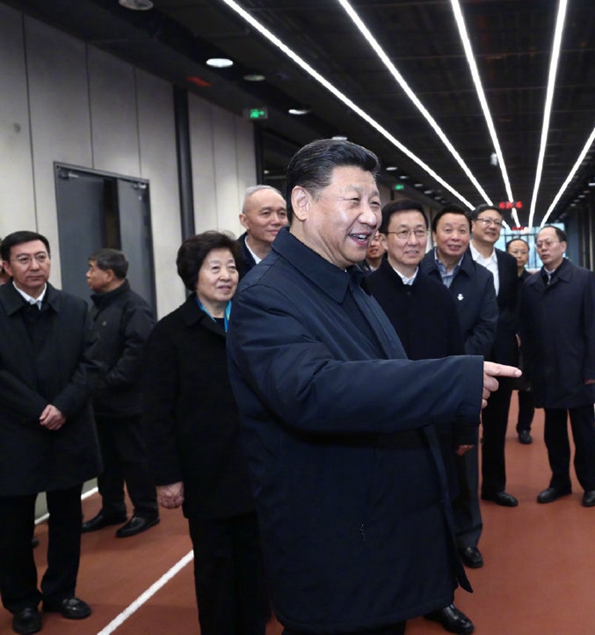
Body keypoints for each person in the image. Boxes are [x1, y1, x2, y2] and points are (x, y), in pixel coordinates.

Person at [227, 138, 519, 635]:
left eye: (375, 202)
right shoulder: (267, 295)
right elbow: (313, 390)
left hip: (373, 542)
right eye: (354, 200)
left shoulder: (346, 280)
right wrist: (453, 379)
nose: (369, 216)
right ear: (302, 203)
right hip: (335, 555)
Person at [142, 232, 268, 635]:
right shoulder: (170, 334)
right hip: (206, 473)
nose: (226, 275)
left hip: (257, 467)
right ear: (193, 275)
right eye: (215, 268)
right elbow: (157, 413)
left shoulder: (253, 324)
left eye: (231, 267)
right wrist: (167, 475)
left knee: (256, 565)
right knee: (215, 568)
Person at [366, 198, 474, 635]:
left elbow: (457, 358)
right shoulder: (365, 293)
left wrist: (465, 425)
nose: (412, 241)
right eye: (402, 233)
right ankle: (392, 603)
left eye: (418, 233)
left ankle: (438, 598)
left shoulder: (438, 294)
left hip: (436, 426)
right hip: (383, 430)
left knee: (436, 512)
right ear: (382, 239)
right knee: (389, 519)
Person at [0, 231, 101, 634]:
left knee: (66, 519)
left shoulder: (75, 308)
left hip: (67, 428)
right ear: (6, 266)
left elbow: (92, 363)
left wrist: (63, 406)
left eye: (41, 257)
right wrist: (37, 409)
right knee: (13, 527)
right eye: (23, 259)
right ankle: (22, 602)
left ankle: (61, 592)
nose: (35, 266)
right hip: (12, 433)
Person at [420, 204, 498, 570]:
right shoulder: (417, 270)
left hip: (462, 381)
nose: (455, 237)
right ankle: (431, 539)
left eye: (461, 230)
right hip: (421, 379)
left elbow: (486, 328)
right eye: (447, 230)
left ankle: (467, 537)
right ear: (435, 234)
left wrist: (457, 366)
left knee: (465, 462)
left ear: (470, 234)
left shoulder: (481, 278)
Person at [519, 226, 595, 508]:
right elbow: (527, 332)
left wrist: (592, 370)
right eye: (539, 244)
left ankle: (591, 484)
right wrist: (529, 371)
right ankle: (559, 482)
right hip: (545, 372)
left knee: (584, 432)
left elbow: (594, 328)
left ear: (563, 246)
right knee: (553, 432)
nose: (543, 248)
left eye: (549, 243)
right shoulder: (531, 285)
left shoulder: (583, 279)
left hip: (577, 371)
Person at [81, 248, 159, 539]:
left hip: (127, 403)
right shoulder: (99, 307)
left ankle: (146, 510)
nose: (88, 275)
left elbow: (138, 353)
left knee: (134, 459)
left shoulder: (134, 307)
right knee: (107, 462)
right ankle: (112, 508)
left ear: (109, 274)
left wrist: (106, 383)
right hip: (101, 404)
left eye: (92, 269)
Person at [469, 204, 520, 507]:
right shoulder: (460, 258)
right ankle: (460, 492)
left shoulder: (507, 262)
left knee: (497, 424)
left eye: (497, 223)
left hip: (501, 353)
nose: (492, 226)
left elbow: (511, 305)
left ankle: (493, 485)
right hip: (467, 352)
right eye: (486, 220)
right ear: (473, 224)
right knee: (462, 425)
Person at [506, 238, 536, 445]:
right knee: (500, 390)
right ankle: (492, 429)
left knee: (527, 390)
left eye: (523, 252)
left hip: (527, 344)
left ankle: (524, 428)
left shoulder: (533, 282)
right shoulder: (497, 278)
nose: (519, 255)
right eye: (514, 251)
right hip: (502, 341)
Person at [237, 184, 288, 277]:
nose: (276, 221)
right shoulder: (231, 260)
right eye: (266, 213)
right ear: (245, 221)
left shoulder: (296, 257)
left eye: (282, 213)